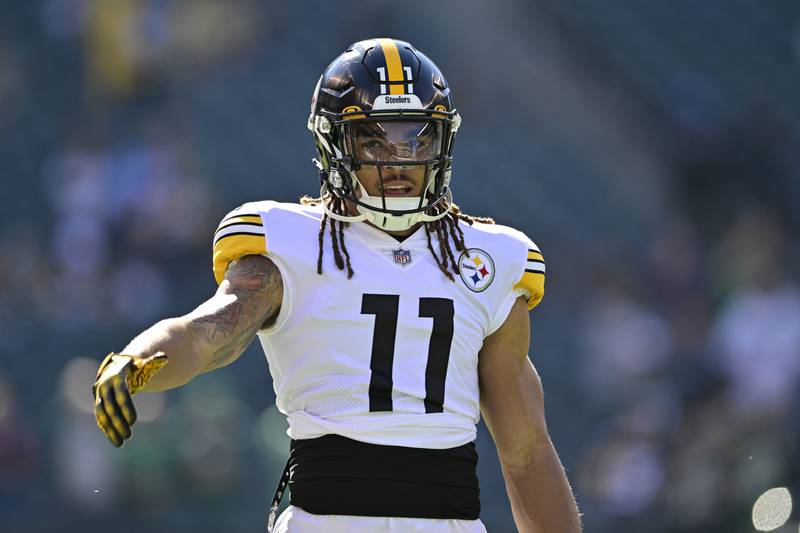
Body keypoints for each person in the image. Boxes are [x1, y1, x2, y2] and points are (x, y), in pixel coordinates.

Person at [92, 38, 582, 533]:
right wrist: (136, 361)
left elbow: (525, 450)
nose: (401, 162)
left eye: (418, 140)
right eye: (375, 141)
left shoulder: (489, 259)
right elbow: (209, 332)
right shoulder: (292, 243)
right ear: (334, 144)